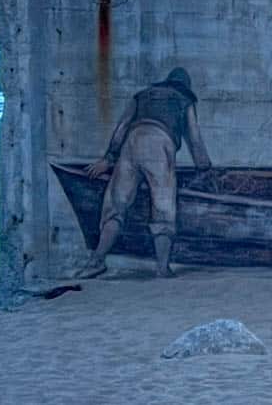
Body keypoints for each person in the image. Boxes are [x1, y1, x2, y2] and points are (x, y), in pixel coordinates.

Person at [77, 67, 212, 279]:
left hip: (132, 142)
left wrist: (108, 159)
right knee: (163, 207)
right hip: (159, 144)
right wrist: (204, 167)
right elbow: (194, 139)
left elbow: (122, 127)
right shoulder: (185, 99)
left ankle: (96, 261)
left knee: (116, 204)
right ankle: (162, 269)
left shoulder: (143, 95)